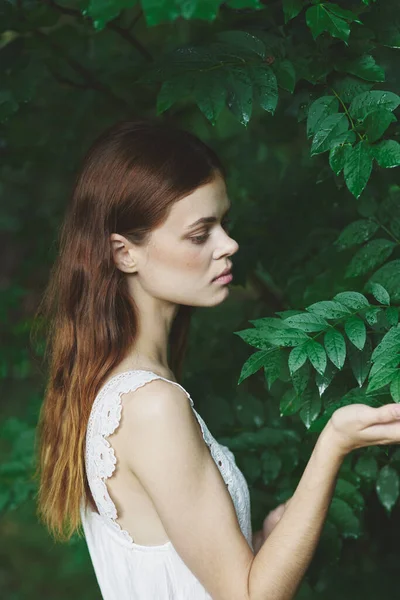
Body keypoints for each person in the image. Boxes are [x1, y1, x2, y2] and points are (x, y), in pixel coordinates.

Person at [34, 117, 400, 600]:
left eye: (224, 223)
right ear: (125, 254)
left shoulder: (122, 385)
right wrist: (334, 442)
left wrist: (266, 538)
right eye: (199, 233)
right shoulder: (150, 405)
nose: (228, 245)